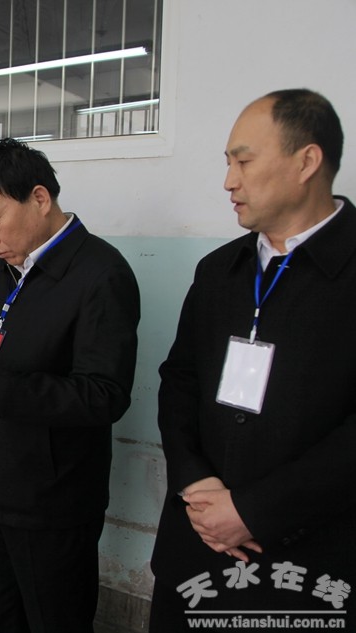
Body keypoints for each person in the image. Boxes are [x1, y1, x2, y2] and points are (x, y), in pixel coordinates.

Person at [0, 138, 140, 633]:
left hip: (51, 503)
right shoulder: (8, 269)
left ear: (39, 198)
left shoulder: (101, 274)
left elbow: (104, 395)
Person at [150, 89, 356, 630]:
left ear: (306, 162)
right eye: (228, 163)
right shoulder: (219, 271)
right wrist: (195, 484)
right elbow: (179, 381)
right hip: (195, 548)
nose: (228, 181)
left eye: (243, 162)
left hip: (306, 568)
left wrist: (254, 510)